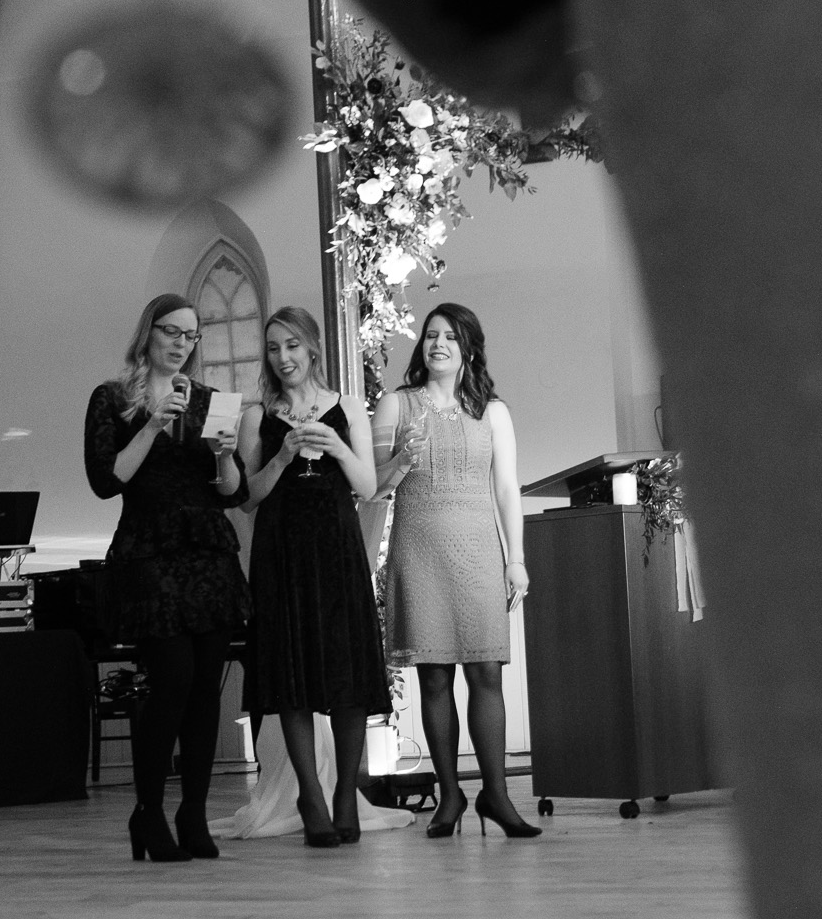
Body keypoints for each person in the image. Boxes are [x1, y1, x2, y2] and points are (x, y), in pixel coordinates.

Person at [84, 294, 249, 862]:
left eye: (192, 336)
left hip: (206, 552)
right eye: (173, 332)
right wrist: (153, 425)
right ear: (148, 333)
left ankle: (194, 815)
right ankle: (148, 812)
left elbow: (234, 491)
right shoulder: (112, 398)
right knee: (172, 679)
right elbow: (108, 481)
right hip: (150, 552)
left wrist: (226, 456)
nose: (183, 343)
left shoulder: (211, 402)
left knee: (207, 686)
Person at [372, 303, 541, 839]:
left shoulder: (493, 412)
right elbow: (370, 485)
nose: (437, 344)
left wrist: (515, 559)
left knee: (487, 671)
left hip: (478, 551)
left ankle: (497, 795)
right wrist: (400, 459)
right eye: (429, 336)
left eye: (449, 336)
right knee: (435, 675)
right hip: (418, 550)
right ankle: (449, 796)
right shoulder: (397, 406)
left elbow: (507, 489)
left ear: (468, 347)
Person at [233, 306, 398, 847]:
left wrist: (339, 447)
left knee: (347, 673)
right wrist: (281, 457)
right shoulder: (258, 414)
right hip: (282, 553)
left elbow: (369, 488)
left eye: (293, 346)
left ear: (312, 349)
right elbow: (249, 497)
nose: (284, 358)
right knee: (294, 678)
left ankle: (345, 792)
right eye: (275, 348)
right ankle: (310, 795)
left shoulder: (347, 405)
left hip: (336, 548)